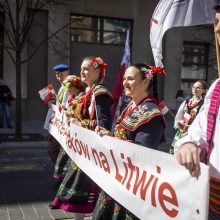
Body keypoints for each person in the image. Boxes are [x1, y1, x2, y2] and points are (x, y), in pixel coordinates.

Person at [92, 63, 165, 220]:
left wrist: (114, 143)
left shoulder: (151, 113)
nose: (124, 82)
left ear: (146, 82)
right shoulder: (130, 106)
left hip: (132, 184)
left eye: (130, 79)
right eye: (124, 78)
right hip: (118, 175)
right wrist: (110, 136)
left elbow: (142, 153)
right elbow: (124, 137)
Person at [51, 56, 112, 220]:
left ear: (97, 71)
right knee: (79, 189)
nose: (82, 72)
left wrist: (80, 123)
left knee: (86, 190)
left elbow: (104, 123)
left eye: (86, 69)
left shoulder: (100, 92)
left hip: (92, 150)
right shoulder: (89, 91)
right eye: (81, 69)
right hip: (83, 148)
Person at [175, 2, 220, 219]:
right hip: (212, 200)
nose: (218, 29)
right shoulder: (218, 87)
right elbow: (201, 128)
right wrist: (189, 142)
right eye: (217, 22)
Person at [53, 75, 85, 188]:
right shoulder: (73, 97)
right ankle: (62, 180)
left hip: (78, 137)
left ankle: (67, 184)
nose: (66, 90)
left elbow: (80, 116)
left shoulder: (82, 97)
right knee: (63, 158)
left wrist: (73, 119)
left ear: (74, 86)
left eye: (67, 86)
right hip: (70, 135)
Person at [169, 80, 207, 154]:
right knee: (176, 153)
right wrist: (179, 124)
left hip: (194, 134)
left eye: (198, 88)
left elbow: (203, 121)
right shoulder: (186, 101)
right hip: (182, 131)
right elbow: (179, 116)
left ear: (203, 91)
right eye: (194, 87)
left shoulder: (204, 104)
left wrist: (189, 127)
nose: (195, 89)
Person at [47, 64, 69, 164]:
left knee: (53, 150)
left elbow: (66, 105)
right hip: (58, 123)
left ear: (67, 73)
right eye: (57, 75)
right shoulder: (62, 87)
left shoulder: (68, 86)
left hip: (63, 124)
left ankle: (62, 175)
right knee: (55, 151)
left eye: (61, 75)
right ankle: (62, 174)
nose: (59, 78)